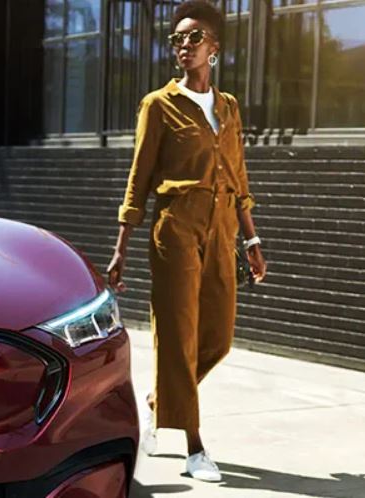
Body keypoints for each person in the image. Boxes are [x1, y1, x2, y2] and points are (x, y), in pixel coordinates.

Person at [105, 0, 268, 482]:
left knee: (218, 337)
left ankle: (160, 400)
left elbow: (239, 178)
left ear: (214, 47)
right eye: (177, 38)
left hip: (221, 230)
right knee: (178, 335)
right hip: (174, 227)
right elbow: (139, 178)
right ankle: (195, 447)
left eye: (194, 37)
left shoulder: (229, 107)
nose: (183, 45)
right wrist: (121, 244)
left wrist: (251, 238)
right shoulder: (158, 105)